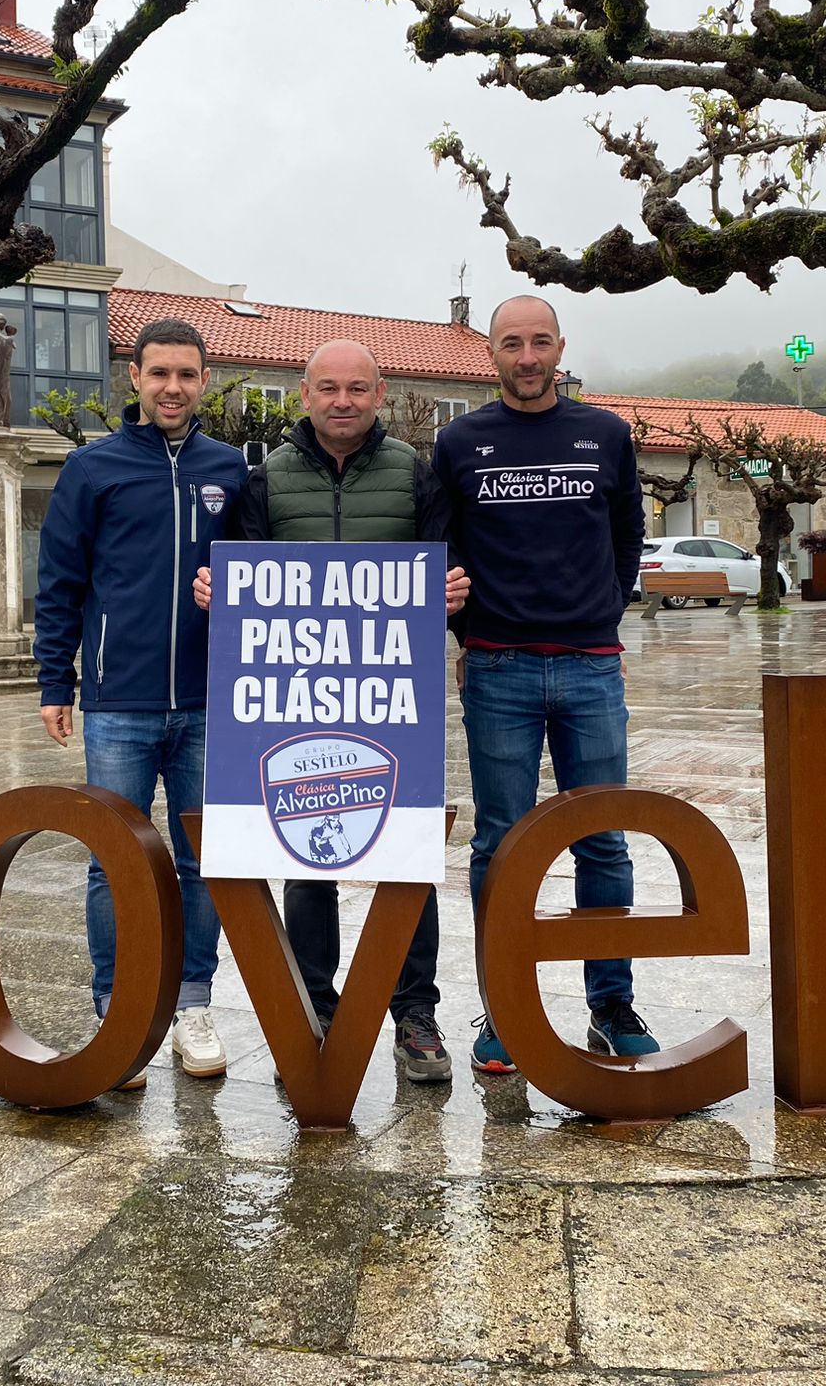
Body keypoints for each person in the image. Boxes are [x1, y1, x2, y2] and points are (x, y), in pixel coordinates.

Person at [195, 339, 470, 1082]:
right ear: (305, 394)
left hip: (394, 696)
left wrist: (450, 592)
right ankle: (313, 1011)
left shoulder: (415, 473)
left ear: (380, 394)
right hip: (297, 696)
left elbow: (446, 562)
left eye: (356, 388)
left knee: (406, 854)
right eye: (328, 388)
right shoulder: (266, 479)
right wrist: (220, 592)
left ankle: (415, 1014)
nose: (342, 401)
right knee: (305, 855)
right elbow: (240, 571)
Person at [431, 295, 659, 1073]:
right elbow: (445, 549)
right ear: (490, 354)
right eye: (511, 344)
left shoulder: (606, 435)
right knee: (501, 844)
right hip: (499, 670)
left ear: (560, 348)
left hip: (592, 669)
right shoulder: (459, 443)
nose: (526, 357)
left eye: (538, 343)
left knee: (604, 839)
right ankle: (504, 1008)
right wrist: (467, 633)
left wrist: (605, 611)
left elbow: (627, 533)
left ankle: (612, 1005)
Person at [34, 317, 247, 1087]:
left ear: (204, 380)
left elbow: (262, 571)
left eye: (187, 375)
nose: (173, 388)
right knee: (112, 860)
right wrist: (55, 681)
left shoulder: (231, 468)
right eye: (160, 373)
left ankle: (192, 1007)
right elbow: (60, 579)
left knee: (203, 861)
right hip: (118, 700)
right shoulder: (92, 468)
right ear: (134, 377)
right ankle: (115, 1010)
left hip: (211, 702)